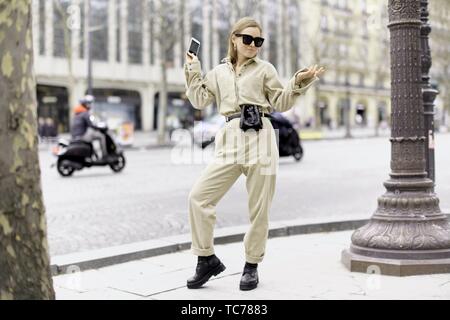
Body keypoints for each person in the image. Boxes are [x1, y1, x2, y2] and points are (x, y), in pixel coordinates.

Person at [184, 17, 325, 291]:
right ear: (234, 39)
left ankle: (251, 265)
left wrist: (299, 81)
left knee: (259, 209)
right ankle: (205, 259)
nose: (253, 45)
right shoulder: (217, 72)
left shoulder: (265, 70)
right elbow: (198, 100)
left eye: (258, 41)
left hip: (260, 135)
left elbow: (281, 102)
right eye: (247, 39)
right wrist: (192, 68)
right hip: (229, 136)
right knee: (198, 197)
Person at [70, 95, 108, 160]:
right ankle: (105, 155)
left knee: (92, 135)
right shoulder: (84, 113)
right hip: (81, 136)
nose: (90, 105)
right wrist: (99, 128)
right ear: (85, 104)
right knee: (101, 136)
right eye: (89, 104)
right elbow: (91, 125)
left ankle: (95, 154)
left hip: (76, 135)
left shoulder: (78, 112)